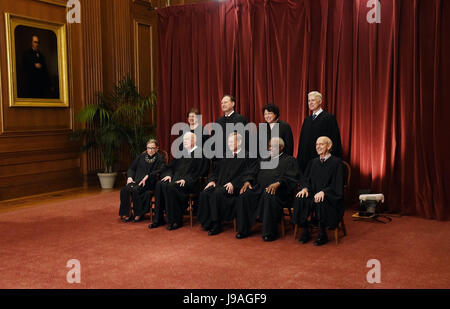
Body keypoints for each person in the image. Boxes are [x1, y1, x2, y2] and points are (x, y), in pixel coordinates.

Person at [236, 137, 299, 241]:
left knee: (269, 194)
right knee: (245, 195)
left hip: (279, 192)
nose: (270, 148)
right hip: (260, 189)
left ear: (281, 147)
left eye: (273, 146)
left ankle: (269, 232)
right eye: (269, 146)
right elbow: (252, 172)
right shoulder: (264, 159)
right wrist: (248, 181)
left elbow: (292, 177)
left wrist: (278, 183)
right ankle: (243, 230)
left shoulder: (289, 160)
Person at [197, 132, 257, 236]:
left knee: (217, 193)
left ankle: (217, 224)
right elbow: (214, 171)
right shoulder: (224, 155)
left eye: (231, 142)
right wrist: (212, 180)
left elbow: (249, 174)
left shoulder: (248, 156)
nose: (229, 144)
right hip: (220, 185)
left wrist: (234, 183)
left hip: (236, 188)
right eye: (228, 142)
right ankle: (207, 222)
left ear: (239, 142)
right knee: (205, 193)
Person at [149, 132, 208, 230]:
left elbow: (201, 172)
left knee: (171, 187)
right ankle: (158, 219)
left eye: (187, 140)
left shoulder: (201, 153)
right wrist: (168, 175)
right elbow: (170, 167)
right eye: (184, 140)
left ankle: (176, 220)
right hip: (175, 180)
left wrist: (186, 180)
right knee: (160, 184)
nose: (184, 142)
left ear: (194, 141)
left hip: (189, 183)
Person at [292, 136, 344, 246]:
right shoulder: (313, 162)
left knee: (320, 199)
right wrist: (305, 189)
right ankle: (305, 231)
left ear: (329, 146)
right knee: (300, 197)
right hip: (313, 192)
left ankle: (322, 234)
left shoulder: (336, 163)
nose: (318, 147)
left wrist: (324, 192)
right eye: (316, 144)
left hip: (329, 196)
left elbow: (337, 184)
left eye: (321, 144)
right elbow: (305, 179)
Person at [119, 139, 165, 223]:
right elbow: (131, 168)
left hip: (150, 182)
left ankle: (138, 214)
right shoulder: (141, 156)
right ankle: (128, 213)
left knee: (135, 189)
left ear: (157, 148)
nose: (150, 150)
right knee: (125, 189)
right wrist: (129, 177)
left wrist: (148, 176)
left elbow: (161, 170)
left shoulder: (160, 158)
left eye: (152, 148)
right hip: (136, 181)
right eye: (148, 148)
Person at [296, 91, 343, 173]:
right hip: (306, 162)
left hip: (322, 161)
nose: (310, 103)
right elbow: (302, 143)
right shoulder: (307, 120)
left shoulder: (329, 118)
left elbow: (334, 141)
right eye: (309, 101)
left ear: (320, 101)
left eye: (313, 100)